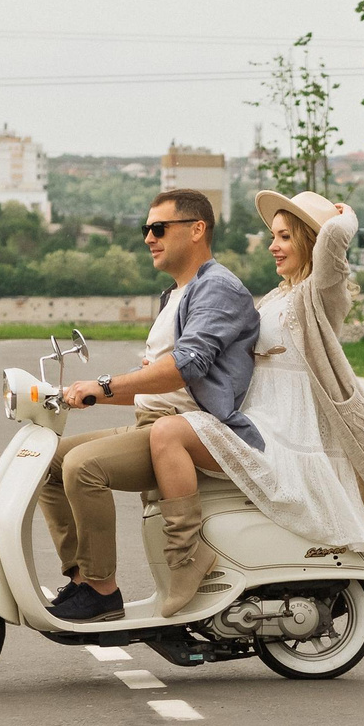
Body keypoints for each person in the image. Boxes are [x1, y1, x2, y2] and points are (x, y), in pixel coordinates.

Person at [129, 190, 364, 608]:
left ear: (309, 242)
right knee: (166, 434)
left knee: (171, 435)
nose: (272, 246)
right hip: (256, 419)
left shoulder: (321, 296)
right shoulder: (275, 297)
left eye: (284, 237)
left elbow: (334, 245)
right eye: (273, 236)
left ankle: (186, 560)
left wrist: (345, 219)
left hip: (288, 431)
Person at [40, 189, 258, 622]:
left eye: (158, 228)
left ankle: (104, 591)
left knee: (83, 467)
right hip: (153, 420)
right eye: (146, 229)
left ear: (197, 230)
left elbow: (186, 367)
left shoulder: (217, 287)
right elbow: (154, 383)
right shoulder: (175, 295)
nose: (148, 238)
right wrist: (92, 393)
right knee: (49, 462)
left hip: (190, 428)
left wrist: (103, 385)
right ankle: (82, 578)